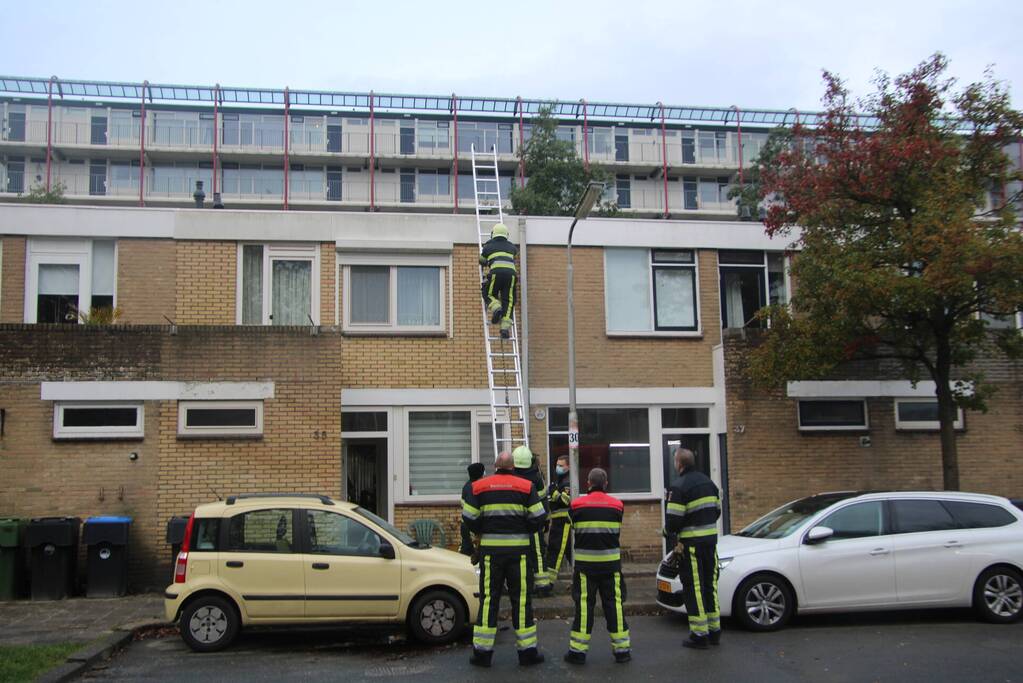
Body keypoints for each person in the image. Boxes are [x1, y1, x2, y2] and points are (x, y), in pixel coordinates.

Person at [462, 450, 547, 667]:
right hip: (519, 553)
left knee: (489, 600)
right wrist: (524, 529)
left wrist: (483, 529)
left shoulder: (478, 486)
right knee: (521, 601)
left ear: (495, 467)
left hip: (491, 554)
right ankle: (527, 653)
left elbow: (469, 517)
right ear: (513, 468)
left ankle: (482, 654)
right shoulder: (526, 486)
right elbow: (538, 516)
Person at [564, 468, 631, 665]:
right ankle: (622, 651)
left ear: (588, 483)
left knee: (584, 608)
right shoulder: (617, 506)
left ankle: (578, 652)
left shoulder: (575, 506)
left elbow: (571, 524)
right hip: (611, 566)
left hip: (586, 567)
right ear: (606, 483)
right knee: (614, 606)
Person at [665, 447, 722, 650]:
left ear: (680, 464)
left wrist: (666, 532)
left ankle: (699, 634)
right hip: (710, 543)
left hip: (692, 546)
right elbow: (717, 510)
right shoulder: (709, 483)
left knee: (694, 588)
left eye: (674, 461)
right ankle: (715, 630)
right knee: (710, 585)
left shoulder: (679, 487)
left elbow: (673, 521)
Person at [512, 445, 552, 597]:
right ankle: (543, 585)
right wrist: (545, 521)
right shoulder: (536, 477)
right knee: (538, 553)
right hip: (534, 522)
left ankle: (521, 585)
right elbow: (544, 502)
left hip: (516, 524)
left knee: (517, 555)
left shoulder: (512, 476)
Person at [479, 223, 518, 339]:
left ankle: (496, 308)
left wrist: (486, 260)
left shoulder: (488, 246)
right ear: (506, 235)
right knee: (509, 300)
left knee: (488, 293)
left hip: (496, 273)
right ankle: (505, 329)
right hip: (511, 276)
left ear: (493, 234)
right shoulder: (512, 247)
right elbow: (514, 256)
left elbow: (481, 260)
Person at [544, 455, 572, 584]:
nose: (558, 468)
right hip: (557, 523)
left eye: (561, 465)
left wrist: (554, 493)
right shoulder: (559, 480)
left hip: (564, 523)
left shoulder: (568, 481)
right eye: (557, 465)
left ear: (569, 466)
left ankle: (549, 583)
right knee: (560, 552)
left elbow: (566, 501)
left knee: (557, 552)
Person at [459, 462, 486, 560]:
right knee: (475, 552)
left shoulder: (467, 486)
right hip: (473, 525)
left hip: (465, 524)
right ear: (480, 473)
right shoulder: (476, 487)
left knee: (466, 550)